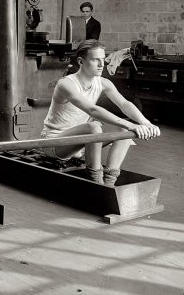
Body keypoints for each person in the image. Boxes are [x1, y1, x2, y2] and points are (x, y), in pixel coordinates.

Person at [41, 40, 160, 186]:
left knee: (122, 129)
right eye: (95, 60)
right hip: (55, 144)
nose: (101, 64)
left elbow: (124, 104)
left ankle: (109, 182)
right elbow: (92, 110)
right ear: (81, 61)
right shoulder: (66, 84)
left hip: (81, 145)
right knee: (94, 127)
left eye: (103, 59)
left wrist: (145, 123)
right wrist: (130, 125)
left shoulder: (103, 82)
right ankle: (96, 181)